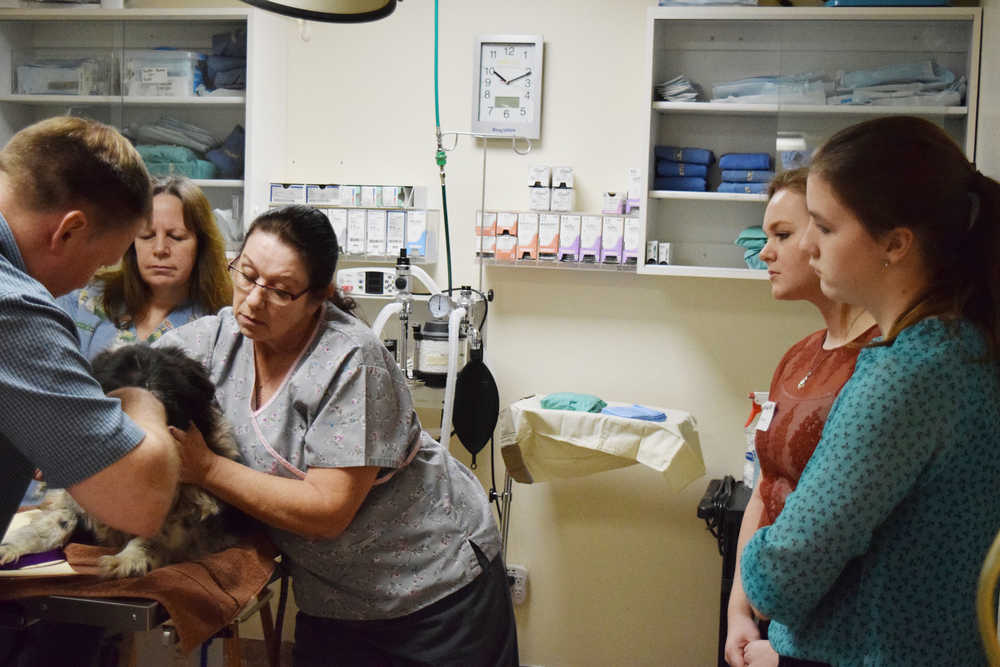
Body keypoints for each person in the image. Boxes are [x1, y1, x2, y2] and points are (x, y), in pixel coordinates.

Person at [156, 205, 518, 666]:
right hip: (332, 598)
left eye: (281, 291)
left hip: (434, 592)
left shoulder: (351, 360)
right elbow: (135, 378)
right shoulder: (216, 341)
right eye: (246, 275)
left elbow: (327, 511)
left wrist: (205, 467)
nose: (251, 301)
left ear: (319, 296)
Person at [740, 116, 1000, 665]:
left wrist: (759, 573)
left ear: (895, 243)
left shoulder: (906, 375)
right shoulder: (965, 343)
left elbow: (784, 578)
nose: (809, 248)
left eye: (825, 228)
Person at [0, 117, 180, 664]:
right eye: (100, 262)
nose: (86, 283)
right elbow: (139, 501)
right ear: (70, 230)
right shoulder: (15, 305)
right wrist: (138, 402)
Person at [724, 168, 877, 667]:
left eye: (781, 235)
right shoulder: (798, 356)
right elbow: (768, 483)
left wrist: (786, 653)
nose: (764, 252)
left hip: (830, 635)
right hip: (770, 610)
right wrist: (739, 608)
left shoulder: (881, 365)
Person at [58, 176, 232, 359]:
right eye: (147, 236)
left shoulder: (218, 326)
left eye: (176, 237)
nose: (159, 249)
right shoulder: (85, 300)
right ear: (131, 242)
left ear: (202, 245)